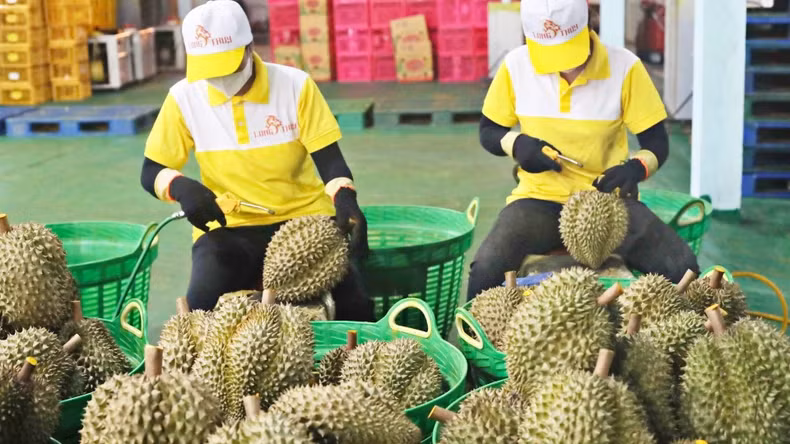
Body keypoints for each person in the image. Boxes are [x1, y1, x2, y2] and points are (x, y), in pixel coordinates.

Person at [139, 0, 373, 321]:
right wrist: (181, 187)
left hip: (303, 224)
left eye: (228, 66)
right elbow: (151, 170)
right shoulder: (184, 97)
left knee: (356, 306)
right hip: (229, 228)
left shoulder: (295, 86)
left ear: (249, 47)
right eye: (210, 70)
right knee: (199, 310)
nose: (220, 78)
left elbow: (330, 161)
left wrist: (345, 197)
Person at [467, 0, 699, 299]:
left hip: (608, 202)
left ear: (588, 24)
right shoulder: (516, 66)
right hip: (538, 199)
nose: (563, 65)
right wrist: (517, 144)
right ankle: (474, 345)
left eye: (569, 50)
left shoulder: (625, 67)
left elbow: (656, 142)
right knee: (486, 268)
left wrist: (636, 168)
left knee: (683, 267)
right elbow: (489, 131)